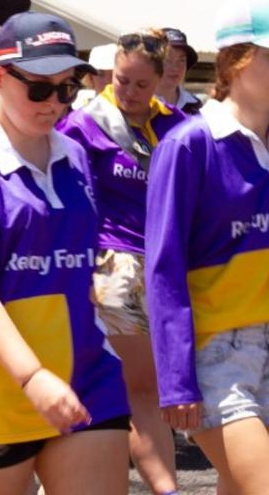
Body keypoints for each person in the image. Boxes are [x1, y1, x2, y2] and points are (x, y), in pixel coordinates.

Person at [0, 12, 130, 495]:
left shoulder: (73, 154)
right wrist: (32, 375)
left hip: (85, 375)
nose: (55, 102)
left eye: (67, 87)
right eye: (39, 88)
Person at [145, 0, 269, 492]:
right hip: (216, 353)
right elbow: (163, 266)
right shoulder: (188, 145)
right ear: (236, 61)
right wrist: (175, 378)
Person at [56, 30, 186, 495]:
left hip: (166, 268)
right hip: (112, 267)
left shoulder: (177, 125)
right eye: (120, 80)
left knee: (150, 392)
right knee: (138, 391)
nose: (128, 93)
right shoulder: (82, 124)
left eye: (140, 85)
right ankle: (164, 488)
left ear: (162, 81)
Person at [156, 27, 202, 115]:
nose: (175, 67)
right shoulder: (141, 105)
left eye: (181, 60)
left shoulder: (195, 106)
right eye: (167, 60)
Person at [71, 44, 116, 111]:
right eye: (100, 74)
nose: (107, 81)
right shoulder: (78, 106)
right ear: (91, 78)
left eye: (113, 74)